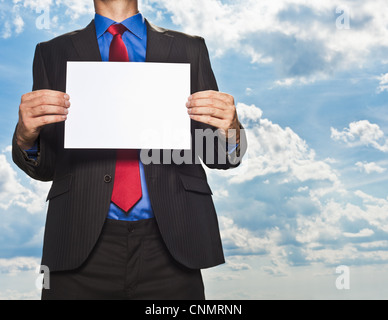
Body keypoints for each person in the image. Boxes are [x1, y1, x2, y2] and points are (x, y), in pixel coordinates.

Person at [12, 0, 247, 300]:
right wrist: (25, 137)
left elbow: (216, 155)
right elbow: (45, 167)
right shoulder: (52, 53)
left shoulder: (190, 49)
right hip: (77, 237)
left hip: (171, 239)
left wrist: (232, 131)